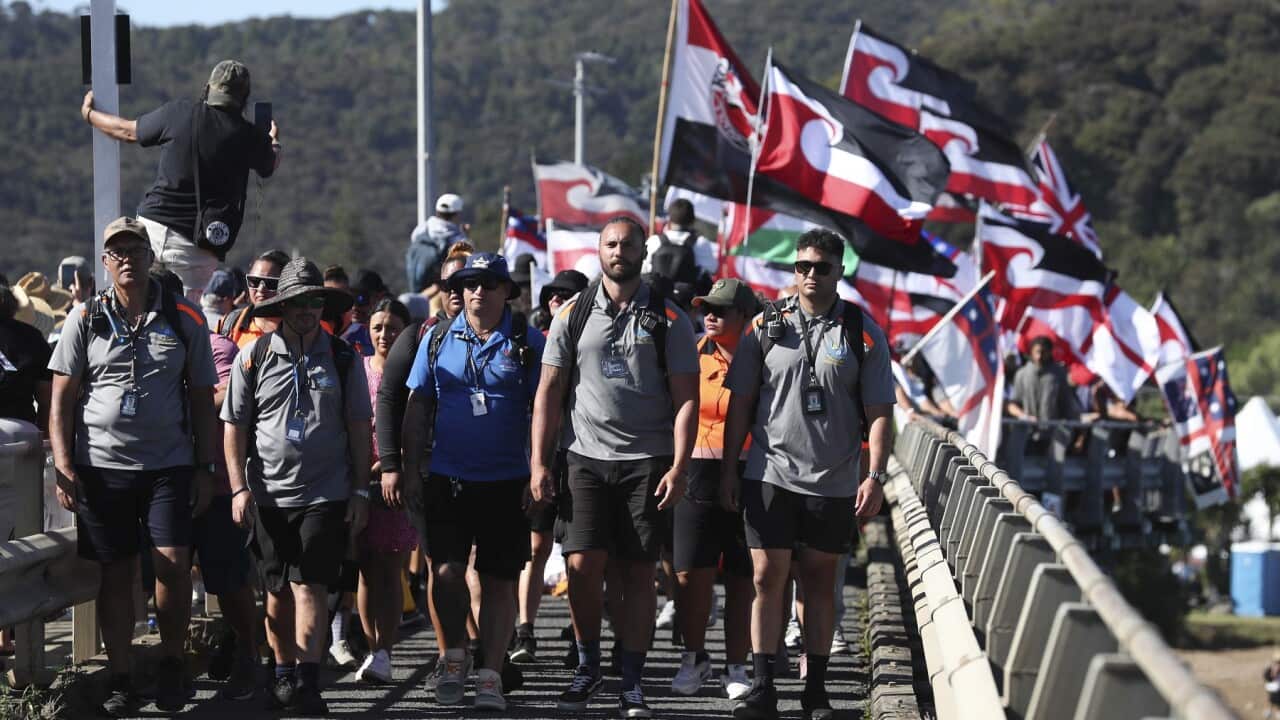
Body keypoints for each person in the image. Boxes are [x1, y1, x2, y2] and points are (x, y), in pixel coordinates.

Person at [720, 228, 895, 720]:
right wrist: (733, 470)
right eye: (802, 267)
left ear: (840, 270)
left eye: (821, 267)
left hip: (834, 478)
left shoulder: (862, 330)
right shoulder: (766, 324)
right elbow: (741, 404)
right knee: (765, 577)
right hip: (770, 472)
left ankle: (814, 692)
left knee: (818, 582)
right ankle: (762, 686)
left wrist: (875, 476)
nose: (810, 276)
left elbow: (880, 411)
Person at [48, 217, 220, 716]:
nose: (126, 259)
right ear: (105, 263)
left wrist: (205, 467)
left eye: (134, 250)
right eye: (116, 253)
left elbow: (203, 399)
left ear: (150, 256)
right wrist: (63, 464)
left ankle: (170, 664)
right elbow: (61, 398)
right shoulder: (85, 318)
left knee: (172, 566)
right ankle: (121, 675)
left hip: (169, 465)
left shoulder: (184, 318)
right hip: (101, 467)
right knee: (116, 573)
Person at [530, 217, 700, 718]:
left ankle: (631, 679)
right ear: (598, 251)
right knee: (581, 566)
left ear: (644, 251)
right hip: (584, 459)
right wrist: (540, 462)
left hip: (647, 463)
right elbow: (549, 391)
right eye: (610, 244)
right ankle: (588, 665)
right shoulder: (572, 316)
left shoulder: (670, 318)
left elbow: (687, 399)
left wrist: (680, 466)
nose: (618, 251)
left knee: (638, 574)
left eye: (627, 244)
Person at [222, 257, 372, 714]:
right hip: (266, 492)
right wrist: (237, 488)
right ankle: (282, 673)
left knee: (310, 584)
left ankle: (309, 682)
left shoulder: (344, 359)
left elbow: (358, 426)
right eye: (296, 302)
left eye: (313, 301)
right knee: (275, 589)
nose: (306, 310)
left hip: (325, 492)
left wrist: (360, 491)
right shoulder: (255, 355)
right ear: (282, 307)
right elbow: (234, 427)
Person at [400, 253, 545, 711]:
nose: (477, 291)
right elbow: (418, 406)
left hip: (507, 480)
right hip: (448, 476)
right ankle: (452, 656)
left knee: (499, 580)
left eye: (488, 283)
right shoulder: (438, 337)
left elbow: (546, 410)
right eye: (468, 284)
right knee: (444, 573)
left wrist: (540, 468)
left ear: (507, 290)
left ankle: (490, 674)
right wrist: (408, 470)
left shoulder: (527, 339)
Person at [81, 61, 280, 301]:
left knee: (132, 308)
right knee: (180, 325)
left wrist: (90, 115)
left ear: (208, 89)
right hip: (196, 250)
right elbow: (269, 166)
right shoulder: (251, 137)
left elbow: (126, 131)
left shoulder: (179, 113)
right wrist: (274, 143)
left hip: (150, 231)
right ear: (244, 98)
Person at [374, 242, 470, 688]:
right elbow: (389, 397)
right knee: (439, 567)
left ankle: (487, 652)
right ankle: (448, 654)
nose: (456, 291)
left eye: (466, 282)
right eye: (449, 283)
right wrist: (392, 464)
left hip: (489, 469)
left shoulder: (507, 336)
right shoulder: (419, 335)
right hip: (429, 469)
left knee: (483, 570)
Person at [671, 279, 759, 700]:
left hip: (750, 471)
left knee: (743, 576)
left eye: (721, 310)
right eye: (706, 308)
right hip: (697, 471)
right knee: (690, 572)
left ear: (744, 316)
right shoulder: (690, 353)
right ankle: (694, 657)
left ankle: (736, 665)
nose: (710, 315)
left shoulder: (764, 358)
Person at [195, 303, 260, 701]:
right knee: (169, 575)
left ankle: (249, 653)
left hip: (218, 485)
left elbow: (223, 398)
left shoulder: (218, 348)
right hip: (167, 479)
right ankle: (172, 663)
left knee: (229, 582)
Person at [353, 299, 418, 684]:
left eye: (392, 327)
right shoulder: (358, 371)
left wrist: (395, 462)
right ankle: (369, 646)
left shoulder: (412, 373)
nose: (384, 335)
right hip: (360, 480)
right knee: (364, 569)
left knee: (390, 568)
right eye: (377, 327)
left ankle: (386, 650)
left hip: (395, 480)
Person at [1006, 335, 1081, 452]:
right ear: (1031, 352)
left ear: (1050, 352)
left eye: (1044, 352)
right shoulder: (1022, 374)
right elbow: (1013, 403)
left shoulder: (1058, 374)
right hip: (1027, 435)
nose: (1040, 356)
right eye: (1037, 352)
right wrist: (1023, 416)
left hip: (1052, 436)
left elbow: (1067, 406)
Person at [0, 282, 52, 429]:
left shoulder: (32, 337)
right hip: (22, 430)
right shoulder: (32, 337)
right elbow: (47, 398)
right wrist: (42, 434)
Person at [217, 250, 289, 348]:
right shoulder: (227, 324)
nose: (261, 289)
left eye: (270, 283)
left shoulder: (303, 327)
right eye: (254, 281)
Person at [643, 198, 715, 290]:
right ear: (692, 220)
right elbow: (713, 269)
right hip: (685, 300)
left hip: (656, 297)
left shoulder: (654, 240)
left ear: (669, 219)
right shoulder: (700, 243)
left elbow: (643, 268)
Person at [407, 193, 470, 293]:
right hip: (441, 291)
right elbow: (468, 261)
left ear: (437, 211)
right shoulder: (456, 238)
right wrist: (466, 236)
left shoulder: (421, 230)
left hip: (417, 287)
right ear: (457, 214)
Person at [344, 269, 391, 356]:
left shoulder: (390, 333)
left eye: (361, 299)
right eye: (351, 298)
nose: (354, 307)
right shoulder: (341, 334)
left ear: (379, 298)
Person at [1265, 652, 1280, 719]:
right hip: (1272, 687)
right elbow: (1267, 676)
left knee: (1278, 701)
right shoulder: (1270, 668)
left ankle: (1278, 712)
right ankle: (1269, 711)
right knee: (1271, 699)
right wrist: (1273, 673)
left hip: (1278, 688)